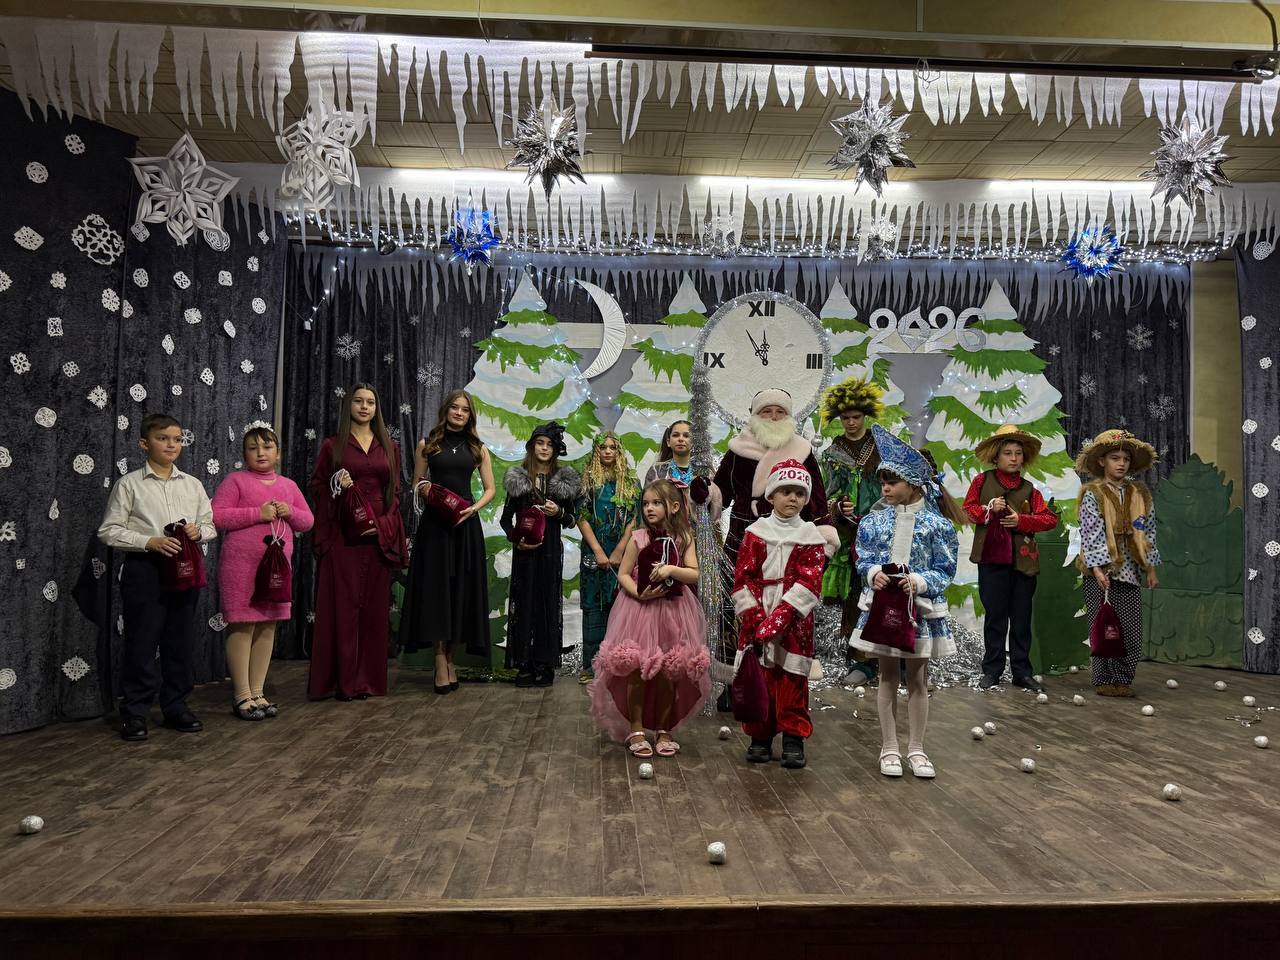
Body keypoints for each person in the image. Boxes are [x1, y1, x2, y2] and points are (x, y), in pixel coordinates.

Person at [850, 426, 965, 780]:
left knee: (917, 678)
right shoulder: (873, 522)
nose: (885, 488)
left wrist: (919, 581)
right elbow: (863, 557)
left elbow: (945, 568)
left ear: (913, 484)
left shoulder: (937, 526)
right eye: (883, 482)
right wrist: (873, 573)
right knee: (886, 676)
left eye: (892, 482)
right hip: (884, 610)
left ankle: (916, 748)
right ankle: (889, 747)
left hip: (920, 613)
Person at [98, 413, 216, 741]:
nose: (171, 445)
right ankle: (135, 712)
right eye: (163, 438)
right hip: (145, 569)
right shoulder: (129, 484)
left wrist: (199, 532)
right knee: (142, 642)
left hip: (185, 568)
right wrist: (148, 541)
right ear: (143, 443)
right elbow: (109, 530)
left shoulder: (192, 484)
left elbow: (210, 525)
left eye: (177, 439)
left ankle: (176, 706)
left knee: (180, 641)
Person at [589, 478, 710, 758]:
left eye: (656, 503)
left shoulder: (684, 538)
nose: (649, 509)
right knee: (637, 669)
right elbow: (623, 573)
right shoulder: (638, 538)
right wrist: (638, 593)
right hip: (640, 611)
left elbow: (694, 573)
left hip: (673, 611)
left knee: (669, 670)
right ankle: (636, 728)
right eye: (645, 504)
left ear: (674, 506)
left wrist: (671, 570)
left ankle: (664, 729)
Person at [731, 460, 838, 769]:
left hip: (794, 623)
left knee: (792, 679)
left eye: (799, 493)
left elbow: (809, 583)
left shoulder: (811, 536)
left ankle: (793, 737)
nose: (793, 498)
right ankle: (760, 735)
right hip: (757, 615)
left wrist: (778, 620)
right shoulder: (755, 533)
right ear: (771, 495)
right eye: (786, 491)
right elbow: (743, 578)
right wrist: (754, 618)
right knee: (760, 677)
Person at [307, 383, 408, 701]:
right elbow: (317, 487)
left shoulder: (390, 446)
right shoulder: (332, 446)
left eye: (370, 402)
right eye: (358, 401)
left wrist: (383, 526)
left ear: (376, 409)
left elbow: (395, 492)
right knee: (343, 607)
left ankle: (367, 681)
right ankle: (342, 682)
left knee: (373, 611)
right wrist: (336, 484)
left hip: (377, 537)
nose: (364, 407)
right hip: (343, 536)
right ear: (348, 406)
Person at [212, 422, 314, 720]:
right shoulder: (235, 481)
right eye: (253, 448)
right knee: (243, 625)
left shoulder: (289, 486)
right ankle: (242, 695)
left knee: (268, 626)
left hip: (276, 570)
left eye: (267, 447)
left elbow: (308, 521)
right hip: (241, 567)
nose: (260, 453)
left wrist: (289, 511)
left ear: (278, 453)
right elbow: (217, 516)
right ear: (244, 454)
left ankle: (257, 692)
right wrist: (258, 513)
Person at [401, 389, 495, 694]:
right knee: (437, 591)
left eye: (465, 410)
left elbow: (491, 489)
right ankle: (440, 660)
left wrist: (473, 508)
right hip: (435, 528)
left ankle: (452, 660)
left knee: (459, 592)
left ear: (470, 415)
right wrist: (424, 488)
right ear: (446, 410)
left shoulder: (478, 448)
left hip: (465, 526)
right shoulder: (427, 444)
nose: (459, 413)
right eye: (455, 407)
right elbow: (416, 482)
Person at [965, 424, 1059, 692]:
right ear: (996, 456)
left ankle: (1022, 671)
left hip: (1023, 563)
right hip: (992, 560)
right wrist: (988, 508)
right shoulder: (981, 482)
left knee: (1021, 618)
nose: (1014, 458)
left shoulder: (1029, 489)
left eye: (1018, 453)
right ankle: (992, 671)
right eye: (1008, 453)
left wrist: (1021, 520)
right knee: (995, 617)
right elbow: (968, 511)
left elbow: (1048, 519)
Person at [691, 389, 831, 568]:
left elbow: (817, 500)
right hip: (743, 534)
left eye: (780, 412)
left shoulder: (802, 450)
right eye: (767, 411)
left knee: (789, 584)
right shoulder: (738, 450)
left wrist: (823, 535)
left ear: (788, 416)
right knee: (739, 583)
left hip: (792, 534)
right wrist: (705, 491)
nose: (774, 417)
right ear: (755, 415)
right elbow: (720, 495)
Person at [1075, 429, 1161, 698]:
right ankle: (1103, 679)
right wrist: (1097, 568)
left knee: (1131, 630)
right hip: (1100, 573)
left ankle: (1123, 678)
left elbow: (1148, 530)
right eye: (1115, 458)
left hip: (1130, 572)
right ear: (1102, 461)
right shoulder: (1092, 494)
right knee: (1103, 627)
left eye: (1125, 459)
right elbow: (1091, 532)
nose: (1121, 463)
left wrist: (1150, 567)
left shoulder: (1139, 493)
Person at [500, 422, 581, 687]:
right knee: (525, 604)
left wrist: (559, 512)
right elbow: (505, 520)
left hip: (550, 552)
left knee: (547, 604)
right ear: (532, 446)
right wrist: (517, 540)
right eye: (540, 443)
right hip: (525, 553)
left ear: (556, 449)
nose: (545, 448)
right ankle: (524, 663)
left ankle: (545, 663)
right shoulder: (519, 478)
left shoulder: (564, 481)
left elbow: (572, 520)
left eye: (549, 445)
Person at [817, 376, 886, 685]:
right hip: (849, 537)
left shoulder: (882, 445)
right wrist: (837, 507)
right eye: (845, 418)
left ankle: (892, 656)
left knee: (885, 590)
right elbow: (826, 492)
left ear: (865, 415)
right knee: (855, 595)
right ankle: (860, 660)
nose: (851, 422)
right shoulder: (832, 454)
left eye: (856, 416)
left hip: (882, 531)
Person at [576, 432, 639, 684]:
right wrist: (598, 551)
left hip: (623, 553)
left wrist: (620, 549)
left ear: (619, 451)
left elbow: (636, 518)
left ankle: (619, 664)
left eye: (613, 447)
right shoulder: (587, 481)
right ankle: (591, 666)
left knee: (622, 605)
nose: (608, 451)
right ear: (596, 451)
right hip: (594, 551)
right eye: (603, 447)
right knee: (593, 606)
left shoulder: (631, 482)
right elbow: (581, 517)